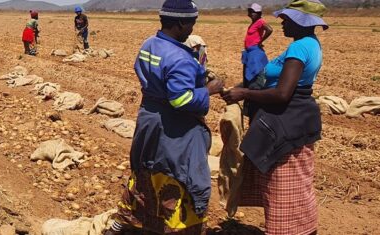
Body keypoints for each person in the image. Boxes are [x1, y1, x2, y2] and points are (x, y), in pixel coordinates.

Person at [105, 0, 224, 234]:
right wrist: (208, 90)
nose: (192, 29)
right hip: (173, 128)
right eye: (191, 23)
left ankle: (131, 221)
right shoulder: (179, 58)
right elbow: (181, 100)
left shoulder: (150, 44)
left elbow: (142, 69)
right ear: (181, 23)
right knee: (178, 176)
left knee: (147, 171)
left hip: (149, 118)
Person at [221, 1, 327, 234]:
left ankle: (287, 230)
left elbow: (282, 93)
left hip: (286, 120)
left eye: (287, 19)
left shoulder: (299, 47)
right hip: (299, 117)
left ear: (301, 22)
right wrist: (242, 88)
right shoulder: (310, 44)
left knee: (283, 186)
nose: (282, 22)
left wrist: (244, 93)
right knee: (297, 183)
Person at [243, 3, 274, 89]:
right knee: (249, 74)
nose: (252, 14)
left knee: (256, 75)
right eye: (250, 11)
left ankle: (255, 91)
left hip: (255, 52)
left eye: (254, 12)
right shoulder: (254, 22)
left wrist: (260, 41)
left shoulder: (260, 21)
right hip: (249, 52)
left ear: (259, 14)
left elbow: (269, 29)